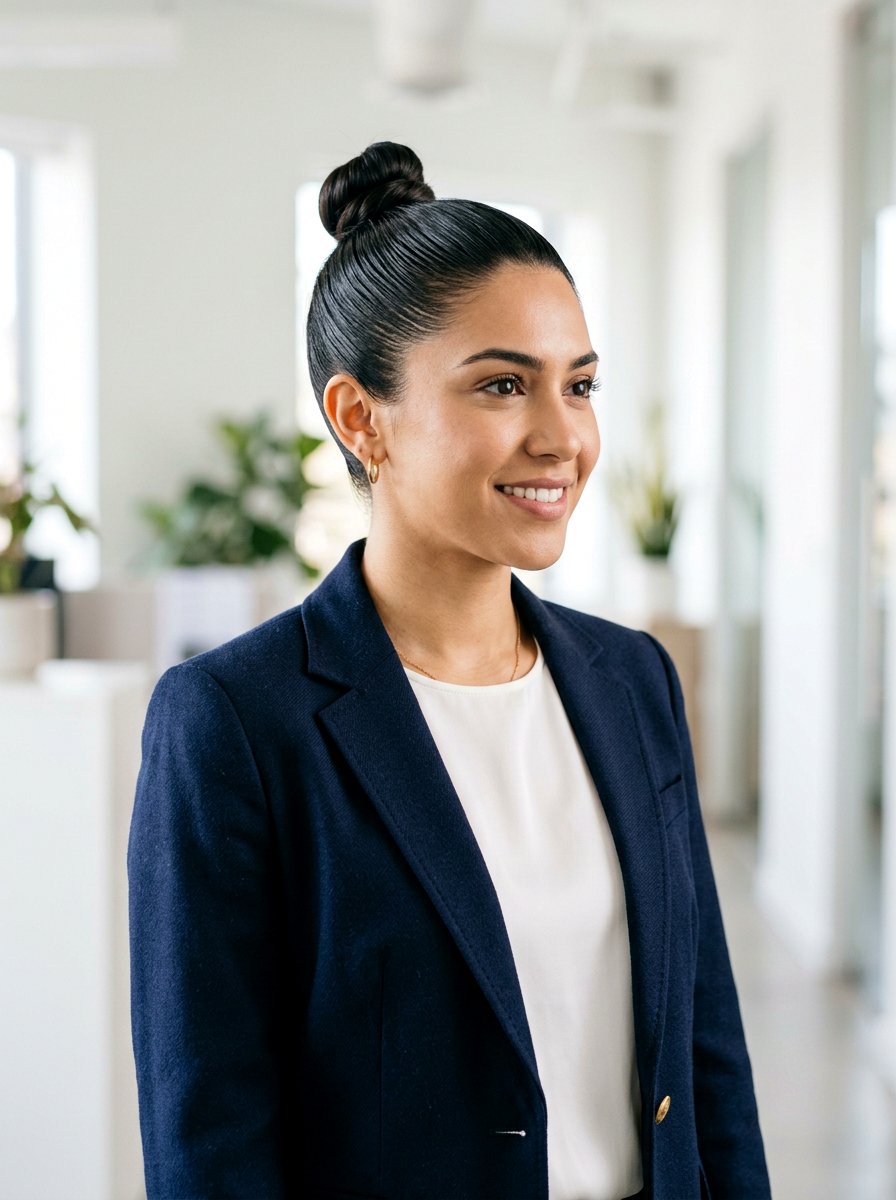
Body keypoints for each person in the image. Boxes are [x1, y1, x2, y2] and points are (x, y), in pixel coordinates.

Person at [127, 140, 772, 1200]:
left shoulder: (633, 681)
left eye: (580, 384)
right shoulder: (234, 724)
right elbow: (212, 1141)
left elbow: (705, 1052)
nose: (560, 435)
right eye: (501, 386)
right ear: (357, 419)